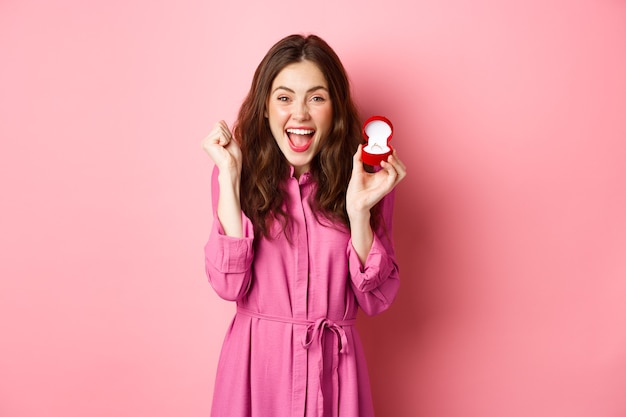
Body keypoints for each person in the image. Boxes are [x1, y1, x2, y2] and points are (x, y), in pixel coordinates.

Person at [202, 34, 406, 417]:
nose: (300, 114)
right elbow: (229, 285)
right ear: (264, 108)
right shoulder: (235, 175)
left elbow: (376, 299)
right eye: (284, 98)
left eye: (316, 97)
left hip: (335, 374)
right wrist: (229, 175)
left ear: (336, 109)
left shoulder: (367, 179)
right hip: (256, 372)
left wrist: (359, 211)